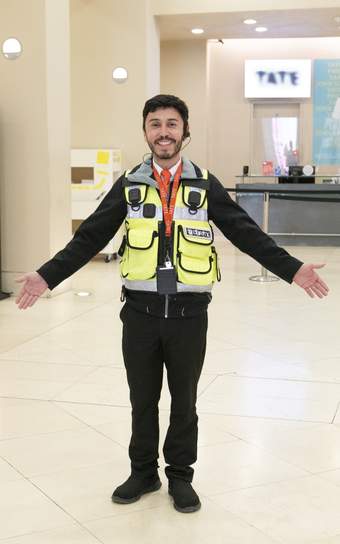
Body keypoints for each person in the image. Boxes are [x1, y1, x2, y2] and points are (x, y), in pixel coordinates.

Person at [15, 94, 329, 514]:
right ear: (145, 131)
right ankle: (143, 471)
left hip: (188, 315)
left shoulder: (204, 182)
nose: (164, 132)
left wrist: (292, 269)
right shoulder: (129, 184)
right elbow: (90, 236)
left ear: (185, 131)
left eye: (171, 124)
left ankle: (180, 475)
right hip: (140, 314)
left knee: (184, 402)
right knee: (141, 399)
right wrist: (46, 274)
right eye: (155, 124)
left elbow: (245, 233)